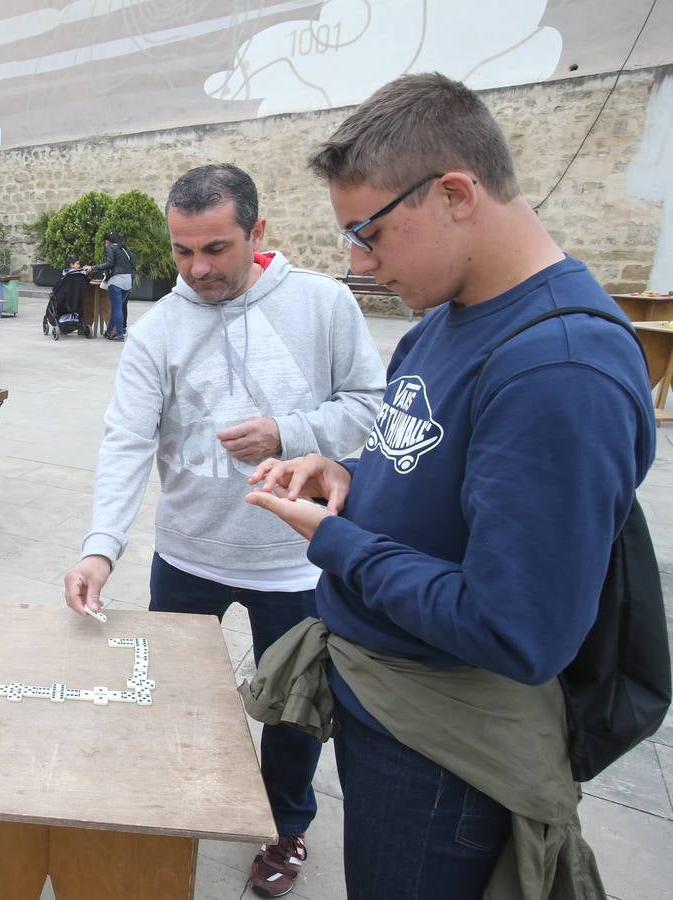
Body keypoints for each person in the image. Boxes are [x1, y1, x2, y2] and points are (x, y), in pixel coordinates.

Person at [244, 73, 655, 898]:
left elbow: (516, 628)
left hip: (444, 751)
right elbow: (435, 475)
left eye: (369, 234)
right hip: (387, 707)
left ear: (458, 193)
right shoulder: (443, 322)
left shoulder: (560, 369)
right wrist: (348, 476)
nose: (359, 265)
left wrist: (335, 542)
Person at [63, 163, 386, 897]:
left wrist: (288, 431)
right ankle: (181, 798)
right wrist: (100, 547)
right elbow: (126, 442)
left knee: (295, 710)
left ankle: (284, 826)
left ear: (257, 233)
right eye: (182, 251)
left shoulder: (324, 305)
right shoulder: (157, 331)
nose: (198, 268)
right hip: (189, 554)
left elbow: (372, 407)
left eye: (216, 248)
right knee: (175, 693)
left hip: (298, 560)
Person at [82, 231, 135, 340]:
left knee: (116, 309)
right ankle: (109, 331)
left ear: (107, 241)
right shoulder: (126, 249)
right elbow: (133, 266)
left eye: (105, 242)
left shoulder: (111, 248)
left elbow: (109, 264)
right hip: (128, 282)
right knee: (118, 308)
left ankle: (119, 334)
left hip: (116, 282)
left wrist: (93, 268)